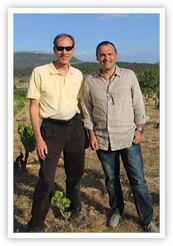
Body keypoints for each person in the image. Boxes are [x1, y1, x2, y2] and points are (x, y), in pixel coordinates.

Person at [83, 41, 159, 232]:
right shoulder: (90, 80)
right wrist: (91, 134)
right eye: (102, 54)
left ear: (116, 55)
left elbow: (138, 103)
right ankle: (117, 210)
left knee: (138, 180)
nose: (106, 58)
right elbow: (87, 109)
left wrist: (139, 129)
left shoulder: (128, 76)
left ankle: (147, 219)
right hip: (102, 138)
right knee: (111, 179)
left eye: (109, 54)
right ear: (96, 57)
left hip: (128, 137)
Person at [26, 33, 86, 232]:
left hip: (75, 127)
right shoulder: (40, 72)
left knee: (75, 174)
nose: (64, 52)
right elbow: (34, 107)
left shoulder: (77, 74)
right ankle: (36, 225)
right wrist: (38, 138)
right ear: (54, 50)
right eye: (60, 48)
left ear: (73, 50)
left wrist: (86, 130)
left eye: (68, 48)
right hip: (50, 129)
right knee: (46, 178)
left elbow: (79, 103)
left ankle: (74, 213)